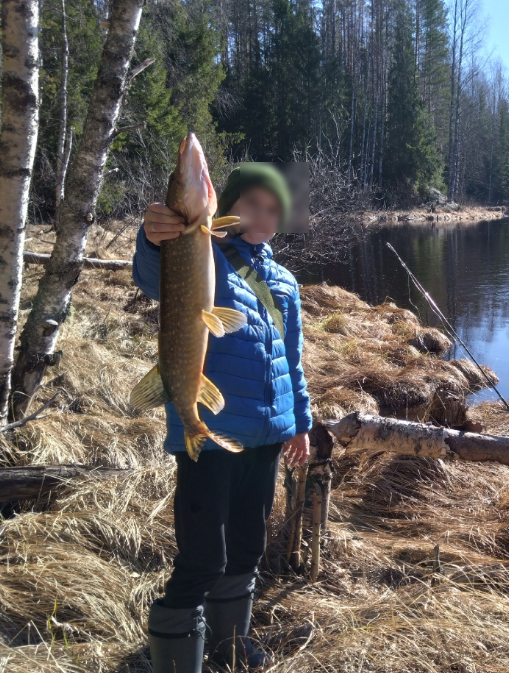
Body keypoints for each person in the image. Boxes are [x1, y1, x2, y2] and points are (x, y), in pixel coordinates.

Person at [133, 164, 312, 672]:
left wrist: (300, 421)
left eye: (273, 209)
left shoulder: (284, 282)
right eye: (253, 202)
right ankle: (176, 660)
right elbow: (153, 277)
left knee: (247, 549)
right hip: (210, 438)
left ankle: (229, 645)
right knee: (202, 558)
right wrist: (153, 236)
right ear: (227, 204)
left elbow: (292, 360)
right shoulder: (202, 252)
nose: (263, 214)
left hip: (267, 438)